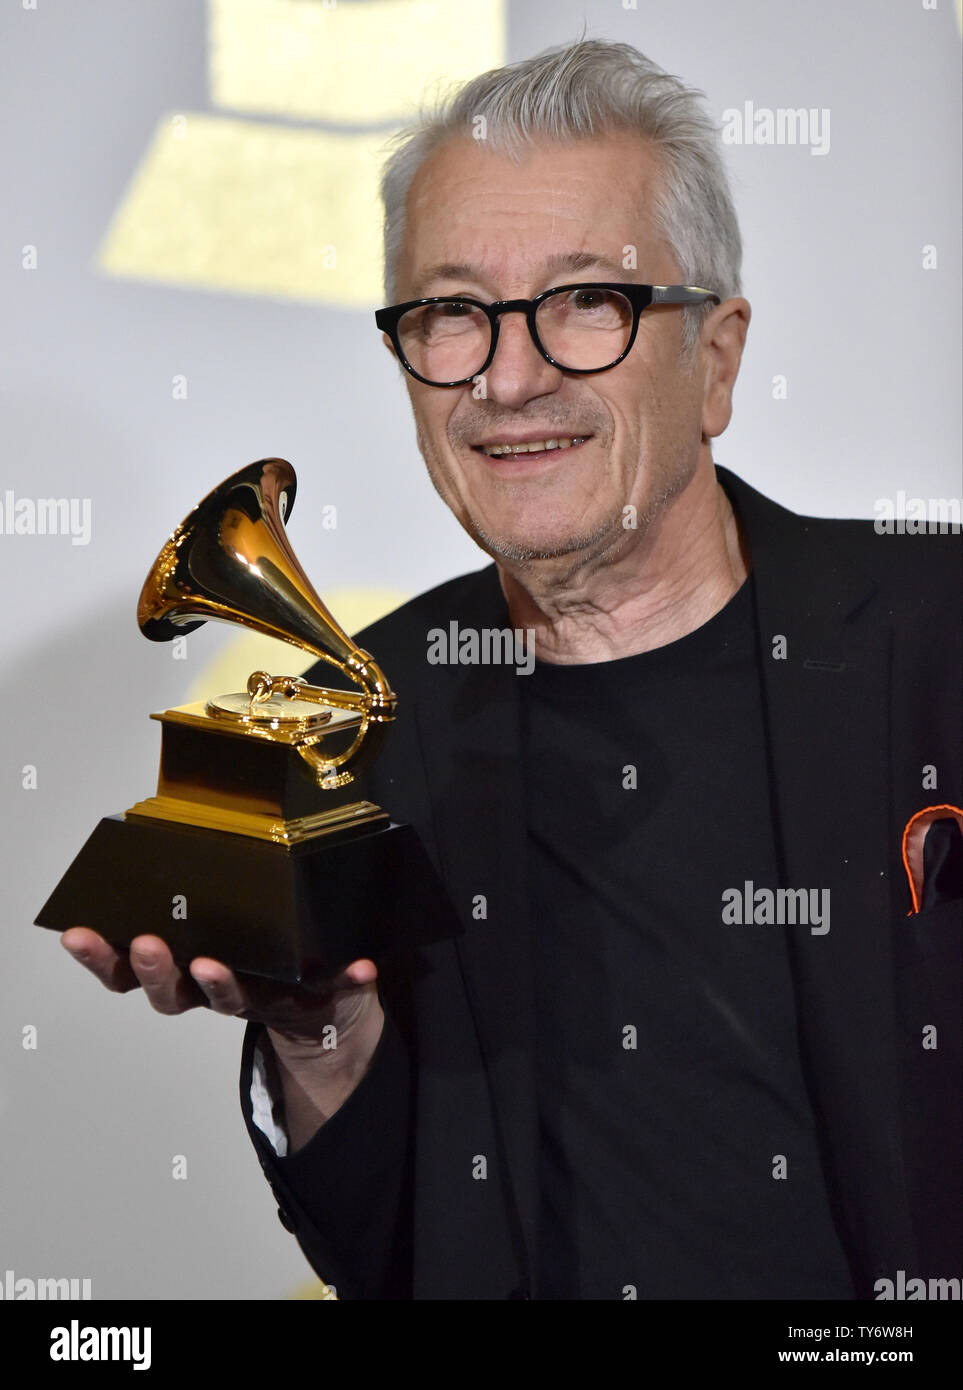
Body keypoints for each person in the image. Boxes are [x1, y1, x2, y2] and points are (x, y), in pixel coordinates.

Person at [62, 38, 961, 1301]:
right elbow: (394, 1254)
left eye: (588, 299)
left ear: (715, 359)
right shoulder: (362, 716)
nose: (509, 374)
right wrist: (318, 1033)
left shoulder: (938, 628)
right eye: (451, 312)